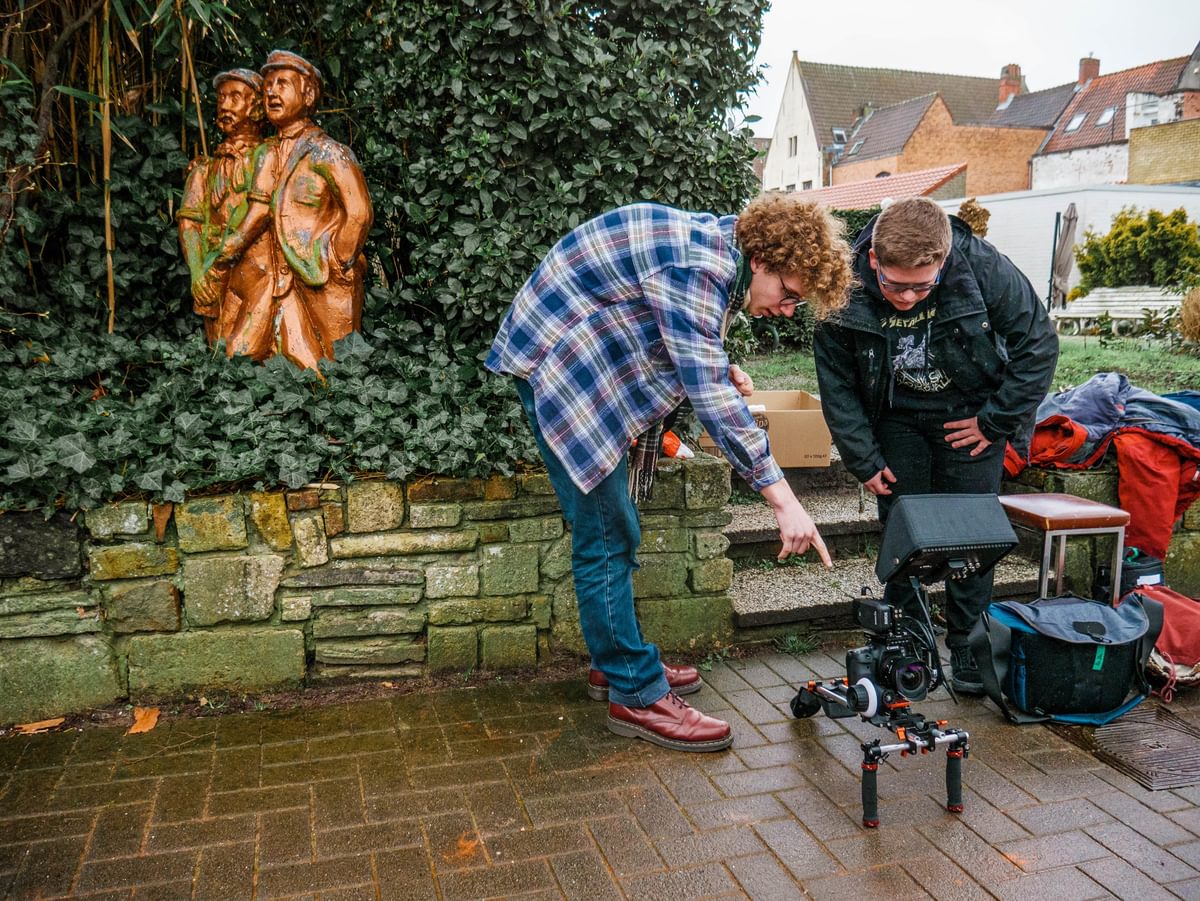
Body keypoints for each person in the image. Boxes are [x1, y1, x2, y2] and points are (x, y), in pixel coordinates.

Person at [487, 196, 854, 751]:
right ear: (763, 259)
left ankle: (617, 665)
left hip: (579, 349)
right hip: (558, 361)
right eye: (790, 294)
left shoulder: (719, 257)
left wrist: (711, 363)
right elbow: (707, 390)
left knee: (614, 529)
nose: (787, 309)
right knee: (607, 534)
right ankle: (634, 692)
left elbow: (669, 331)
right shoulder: (698, 267)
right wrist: (785, 501)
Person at [813, 197, 1058, 695]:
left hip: (969, 418)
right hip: (896, 419)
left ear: (942, 262)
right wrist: (863, 457)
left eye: (922, 286)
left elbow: (1039, 344)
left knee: (971, 535)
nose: (906, 297)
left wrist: (994, 422)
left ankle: (969, 647)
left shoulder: (983, 268)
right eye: (894, 284)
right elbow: (835, 382)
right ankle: (906, 644)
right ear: (875, 260)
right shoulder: (843, 283)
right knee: (906, 531)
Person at [198, 50, 373, 370]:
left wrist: (336, 259)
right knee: (287, 363)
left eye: (282, 84)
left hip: (323, 277)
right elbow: (258, 209)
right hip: (279, 284)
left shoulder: (329, 151)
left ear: (307, 94)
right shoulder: (265, 154)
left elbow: (359, 212)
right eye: (267, 87)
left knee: (335, 369)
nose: (272, 92)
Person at [177, 68, 272, 346]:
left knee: (244, 351)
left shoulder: (271, 157)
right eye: (221, 98)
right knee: (220, 350)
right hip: (216, 276)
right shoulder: (205, 170)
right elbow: (189, 224)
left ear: (255, 107)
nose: (224, 105)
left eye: (235, 97)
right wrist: (197, 271)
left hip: (261, 275)